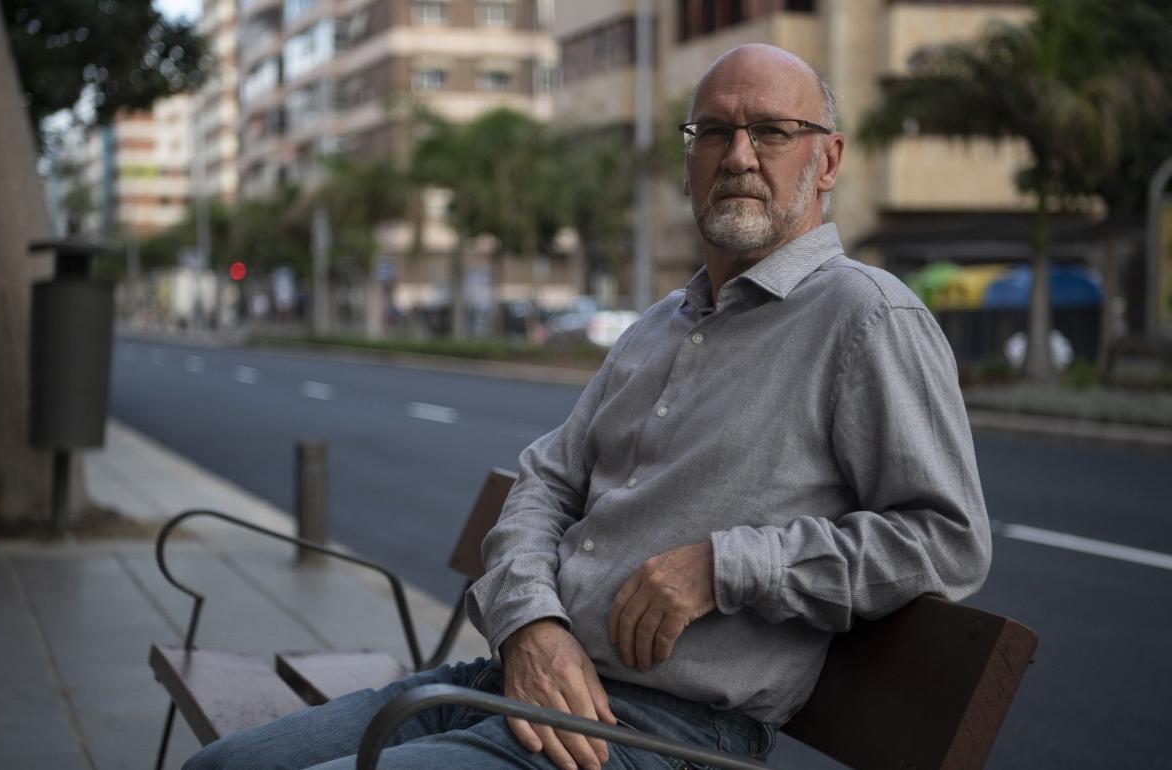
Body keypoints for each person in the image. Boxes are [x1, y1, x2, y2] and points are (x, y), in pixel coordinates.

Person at [185, 43, 990, 770]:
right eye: (713, 132)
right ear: (688, 160)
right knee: (220, 769)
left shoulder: (865, 316)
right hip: (517, 681)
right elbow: (543, 484)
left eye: (772, 131)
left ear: (828, 158)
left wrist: (726, 565)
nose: (739, 155)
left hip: (658, 733)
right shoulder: (660, 325)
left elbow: (946, 541)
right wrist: (531, 623)